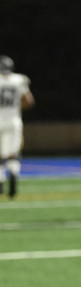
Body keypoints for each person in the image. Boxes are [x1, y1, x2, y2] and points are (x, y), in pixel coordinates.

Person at [0, 54, 33, 199]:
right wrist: (15, 109)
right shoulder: (19, 79)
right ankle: (13, 173)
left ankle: (1, 181)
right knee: (13, 154)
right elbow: (29, 101)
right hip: (14, 120)